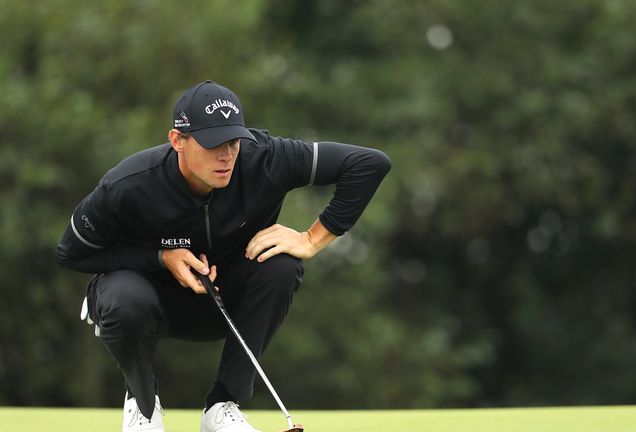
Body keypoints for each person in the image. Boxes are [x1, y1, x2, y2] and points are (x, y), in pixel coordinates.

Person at [56, 80, 391, 432]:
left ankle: (221, 407)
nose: (227, 155)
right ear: (177, 141)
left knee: (282, 264)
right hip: (146, 304)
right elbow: (71, 254)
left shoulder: (265, 158)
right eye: (213, 143)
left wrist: (311, 239)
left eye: (233, 141)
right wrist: (159, 257)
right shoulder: (128, 184)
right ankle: (143, 405)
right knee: (123, 297)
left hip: (229, 303)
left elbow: (369, 164)